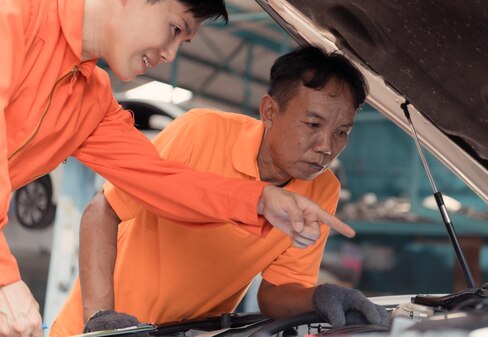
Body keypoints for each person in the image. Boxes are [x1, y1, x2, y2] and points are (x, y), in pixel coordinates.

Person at [0, 0, 354, 337]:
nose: (169, 55)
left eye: (182, 41)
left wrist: (258, 199)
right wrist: (5, 280)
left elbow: (164, 182)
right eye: (173, 29)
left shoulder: (92, 101)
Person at [50, 46, 389, 336]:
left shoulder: (321, 188)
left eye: (342, 132)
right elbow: (102, 211)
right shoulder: (201, 132)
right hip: (95, 330)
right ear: (270, 111)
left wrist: (321, 297)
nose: (326, 147)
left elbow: (275, 294)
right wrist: (101, 320)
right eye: (313, 125)